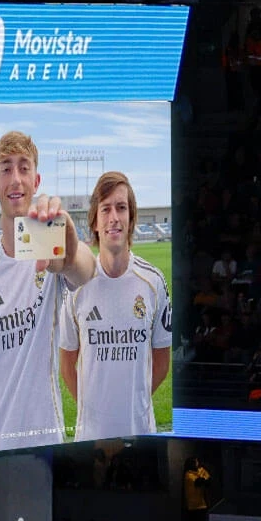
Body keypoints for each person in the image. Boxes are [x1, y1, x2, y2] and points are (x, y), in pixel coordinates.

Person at [0, 131, 95, 452]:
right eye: (6, 168)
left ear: (37, 178)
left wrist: (69, 246)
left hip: (48, 447)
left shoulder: (50, 247)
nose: (15, 178)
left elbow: (85, 270)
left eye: (24, 167)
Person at [58, 170, 172, 440]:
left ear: (131, 217)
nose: (114, 218)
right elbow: (66, 364)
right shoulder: (76, 287)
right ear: (95, 223)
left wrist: (134, 406)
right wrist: (93, 411)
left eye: (121, 208)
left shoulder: (153, 282)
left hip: (140, 434)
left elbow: (162, 361)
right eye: (105, 209)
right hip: (91, 440)